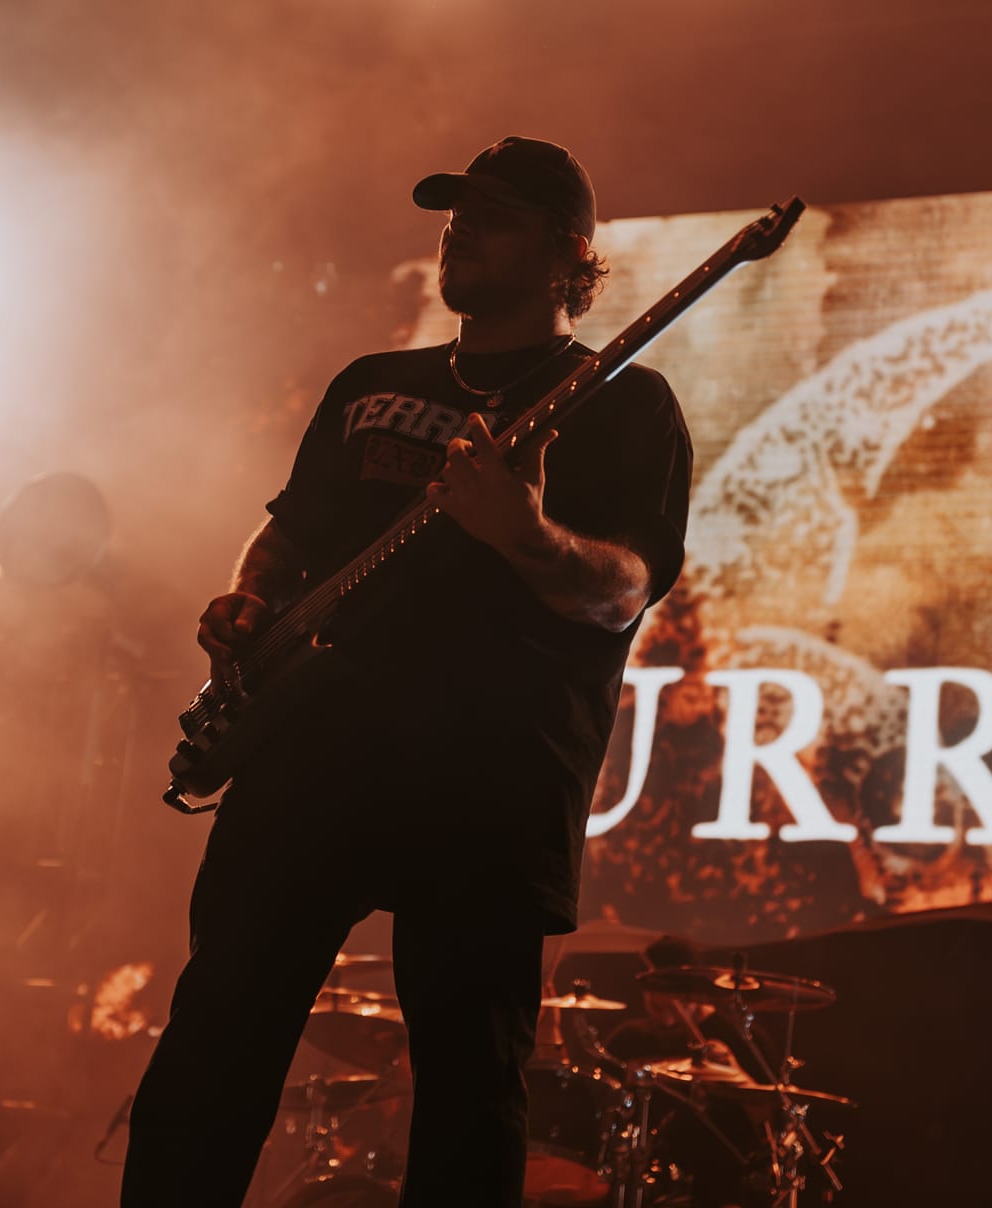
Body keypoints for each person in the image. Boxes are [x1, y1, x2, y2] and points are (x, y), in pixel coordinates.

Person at [120, 136, 693, 1207]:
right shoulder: (372, 382)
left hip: (490, 779)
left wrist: (521, 533)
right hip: (307, 755)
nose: (459, 233)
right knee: (212, 1047)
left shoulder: (623, 403)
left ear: (568, 253)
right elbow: (287, 536)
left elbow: (620, 590)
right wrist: (249, 601)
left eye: (494, 218)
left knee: (470, 1086)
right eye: (454, 215)